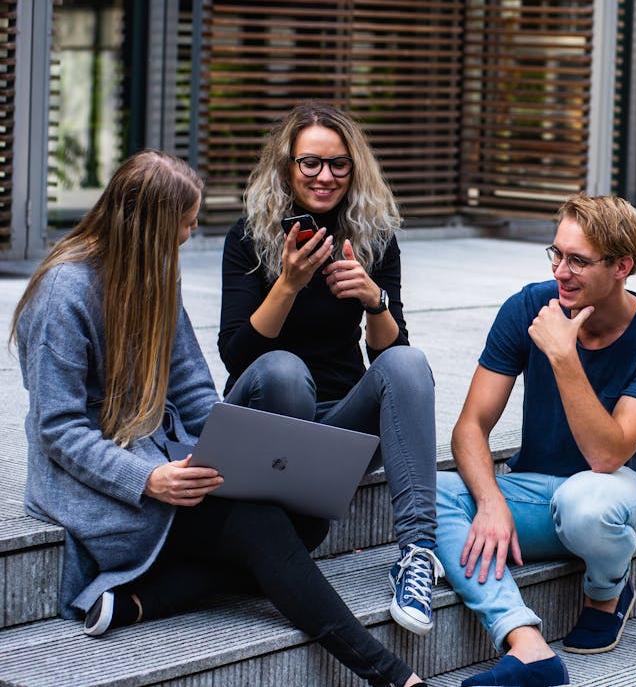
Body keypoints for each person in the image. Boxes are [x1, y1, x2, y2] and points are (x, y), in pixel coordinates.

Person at [12, 150, 428, 687]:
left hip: (168, 462)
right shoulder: (62, 294)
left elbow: (192, 390)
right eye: (183, 225)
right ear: (149, 224)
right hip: (101, 484)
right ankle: (391, 674)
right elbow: (59, 429)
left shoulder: (155, 275)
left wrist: (232, 451)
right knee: (262, 527)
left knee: (306, 521)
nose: (187, 237)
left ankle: (145, 598)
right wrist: (148, 479)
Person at [435, 194, 636, 686]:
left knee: (586, 501)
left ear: (623, 266)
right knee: (431, 493)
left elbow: (607, 454)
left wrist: (563, 356)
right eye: (556, 254)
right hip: (534, 491)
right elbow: (470, 426)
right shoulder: (528, 306)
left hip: (617, 496)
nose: (561, 271)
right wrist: (490, 502)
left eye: (578, 260)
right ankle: (525, 644)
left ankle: (606, 591)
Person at [218, 103, 441, 635]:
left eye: (339, 165)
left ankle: (417, 556)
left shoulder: (374, 236)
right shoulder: (248, 237)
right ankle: (280, 535)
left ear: (355, 168)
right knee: (284, 371)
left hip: (338, 427)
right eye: (311, 163)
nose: (325, 176)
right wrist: (288, 283)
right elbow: (237, 355)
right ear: (287, 167)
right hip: (267, 417)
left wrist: (375, 300)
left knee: (409, 363)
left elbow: (391, 360)